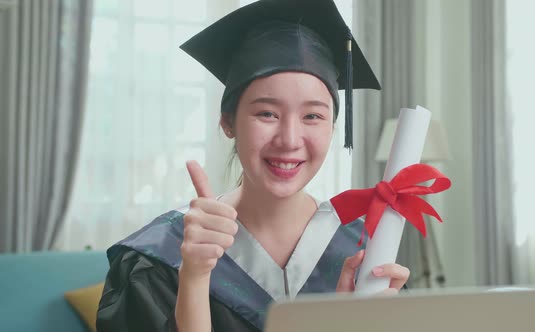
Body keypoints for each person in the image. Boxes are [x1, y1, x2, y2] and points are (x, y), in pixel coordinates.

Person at [96, 0, 410, 331]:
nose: (289, 139)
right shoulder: (159, 258)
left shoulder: (365, 253)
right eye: (267, 113)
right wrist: (195, 278)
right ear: (228, 122)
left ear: (333, 128)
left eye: (313, 116)